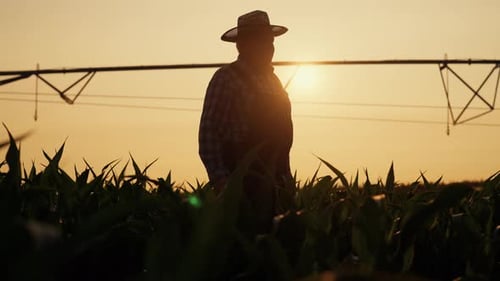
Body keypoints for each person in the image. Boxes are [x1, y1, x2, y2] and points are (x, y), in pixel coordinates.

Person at [198, 10, 294, 230]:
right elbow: (208, 137)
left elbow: (281, 144)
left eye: (270, 41)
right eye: (261, 40)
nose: (268, 47)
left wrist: (287, 183)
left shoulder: (273, 82)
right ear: (243, 45)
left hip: (274, 186)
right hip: (241, 185)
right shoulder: (226, 78)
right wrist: (225, 187)